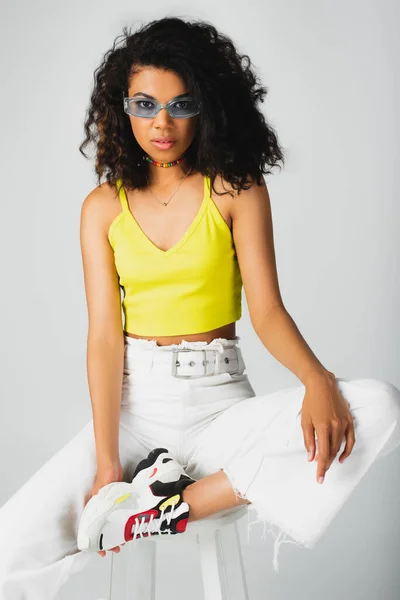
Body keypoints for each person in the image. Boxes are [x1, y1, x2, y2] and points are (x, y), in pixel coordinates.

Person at [1, 15, 400, 599]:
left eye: (180, 104)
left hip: (220, 408)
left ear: (205, 107)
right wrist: (109, 464)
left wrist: (317, 379)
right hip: (135, 409)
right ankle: (136, 495)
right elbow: (104, 339)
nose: (162, 123)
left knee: (378, 405)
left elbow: (266, 310)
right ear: (123, 107)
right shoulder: (101, 209)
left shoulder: (235, 189)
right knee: (10, 545)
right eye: (145, 104)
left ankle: (160, 508)